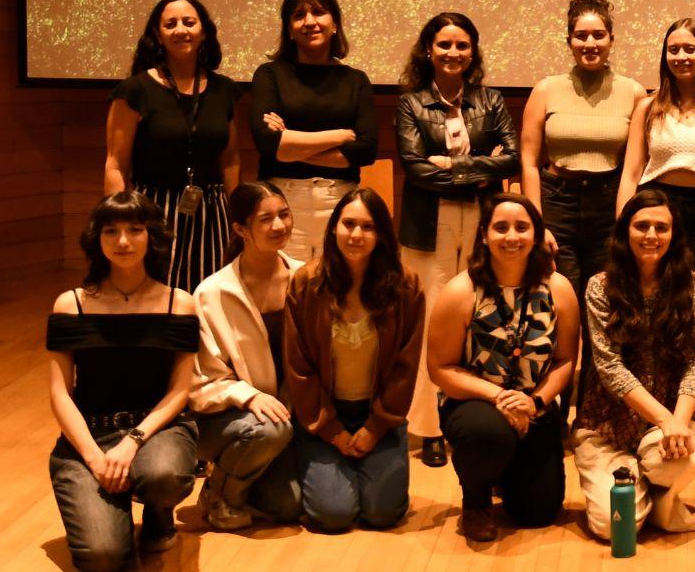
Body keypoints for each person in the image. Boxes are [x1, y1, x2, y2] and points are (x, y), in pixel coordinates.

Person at [47, 193, 200, 571]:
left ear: (152, 237)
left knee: (162, 476)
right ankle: (114, 507)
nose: (123, 241)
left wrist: (132, 442)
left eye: (135, 229)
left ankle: (157, 512)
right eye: (111, 231)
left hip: (158, 429)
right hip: (91, 435)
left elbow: (180, 390)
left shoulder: (178, 303)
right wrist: (94, 458)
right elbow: (59, 393)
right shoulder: (71, 304)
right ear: (96, 239)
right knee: (103, 557)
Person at [396, 11, 521, 468]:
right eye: (444, 45)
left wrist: (453, 167)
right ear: (428, 50)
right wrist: (475, 168)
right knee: (432, 320)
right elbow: (414, 167)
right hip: (428, 225)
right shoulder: (412, 103)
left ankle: (479, 415)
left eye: (462, 45)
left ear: (474, 52)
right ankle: (429, 428)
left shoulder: (490, 101)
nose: (453, 53)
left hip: (483, 222)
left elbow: (510, 160)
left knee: (483, 317)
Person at [617, 16, 695, 454]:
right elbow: (631, 172)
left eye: (690, 48)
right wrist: (623, 234)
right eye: (673, 49)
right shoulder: (648, 107)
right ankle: (647, 426)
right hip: (655, 210)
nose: (681, 57)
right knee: (651, 316)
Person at [425, 195, 580, 541]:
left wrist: (535, 402)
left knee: (537, 513)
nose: (512, 237)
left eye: (522, 228)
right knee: (488, 434)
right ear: (484, 235)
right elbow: (440, 368)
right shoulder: (460, 291)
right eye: (501, 227)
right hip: (476, 406)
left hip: (535, 407)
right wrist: (501, 397)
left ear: (537, 236)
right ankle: (476, 500)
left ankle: (506, 471)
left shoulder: (559, 289)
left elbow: (566, 361)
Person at [281, 188, 426, 532]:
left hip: (380, 415)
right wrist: (332, 432)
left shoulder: (406, 285)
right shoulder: (305, 282)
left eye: (368, 226)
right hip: (322, 417)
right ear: (334, 228)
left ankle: (370, 470)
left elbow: (406, 366)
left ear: (382, 234)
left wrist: (375, 429)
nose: (356, 235)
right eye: (348, 224)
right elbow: (298, 367)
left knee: (382, 514)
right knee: (333, 515)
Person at [573, 189, 695, 538]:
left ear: (674, 235)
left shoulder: (692, 285)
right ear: (625, 232)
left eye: (661, 228)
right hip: (608, 428)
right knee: (612, 527)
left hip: (669, 423)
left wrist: (677, 422)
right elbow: (609, 368)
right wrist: (665, 420)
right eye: (642, 226)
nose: (651, 236)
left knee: (687, 456)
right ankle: (649, 492)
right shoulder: (599, 287)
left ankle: (646, 485)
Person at [104, 0, 241, 291]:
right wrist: (121, 224)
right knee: (155, 294)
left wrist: (237, 215)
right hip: (153, 209)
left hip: (212, 211)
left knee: (210, 294)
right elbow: (116, 164)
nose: (181, 30)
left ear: (203, 30)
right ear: (157, 33)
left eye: (189, 22)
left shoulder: (225, 89)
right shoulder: (135, 91)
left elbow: (230, 159)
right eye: (171, 24)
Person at [191, 182, 303, 530]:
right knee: (271, 431)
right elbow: (202, 380)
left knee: (289, 507)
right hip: (228, 420)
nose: (279, 226)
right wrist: (249, 395)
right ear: (240, 229)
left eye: (284, 214)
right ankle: (219, 489)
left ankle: (247, 480)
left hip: (286, 417)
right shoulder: (212, 292)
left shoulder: (306, 277)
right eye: (265, 219)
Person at [520, 0, 644, 294]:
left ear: (611, 40)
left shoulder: (634, 92)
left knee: (604, 295)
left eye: (599, 35)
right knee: (558, 292)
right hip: (556, 201)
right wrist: (537, 224)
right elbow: (528, 161)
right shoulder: (546, 90)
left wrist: (624, 220)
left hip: (609, 202)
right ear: (569, 42)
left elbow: (635, 167)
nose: (590, 44)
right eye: (581, 36)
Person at [249, 0, 377, 262]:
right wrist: (341, 135)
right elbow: (268, 144)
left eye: (318, 13)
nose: (309, 22)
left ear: (334, 24)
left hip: (341, 203)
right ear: (289, 29)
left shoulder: (356, 80)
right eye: (298, 15)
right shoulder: (269, 74)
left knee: (339, 295)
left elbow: (366, 150)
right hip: (282, 203)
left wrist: (290, 146)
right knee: (285, 293)